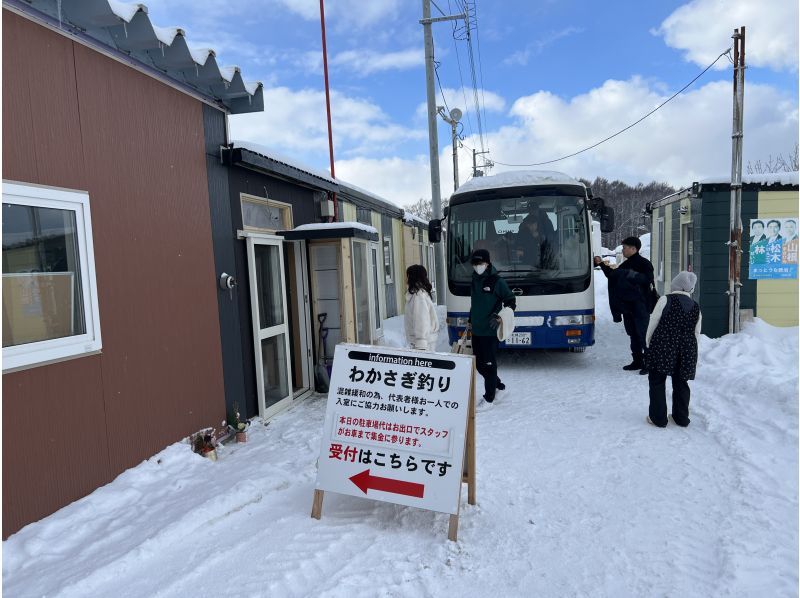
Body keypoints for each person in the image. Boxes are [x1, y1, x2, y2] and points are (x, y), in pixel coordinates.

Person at [645, 271, 702, 428]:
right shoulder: (695, 306)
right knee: (681, 382)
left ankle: (658, 418)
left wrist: (648, 341)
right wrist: (693, 353)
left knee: (657, 380)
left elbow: (654, 321)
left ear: (675, 285)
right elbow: (697, 332)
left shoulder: (665, 299)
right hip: (687, 348)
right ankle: (681, 417)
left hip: (663, 344)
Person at [594, 236, 654, 374]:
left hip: (641, 305)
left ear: (634, 249)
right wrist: (601, 264)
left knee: (643, 334)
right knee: (632, 334)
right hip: (627, 306)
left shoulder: (644, 263)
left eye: (625, 248)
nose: (623, 250)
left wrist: (630, 275)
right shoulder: (625, 264)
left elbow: (647, 279)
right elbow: (613, 275)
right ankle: (637, 361)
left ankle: (649, 363)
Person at [468, 249, 516, 403]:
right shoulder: (474, 280)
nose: (477, 266)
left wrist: (500, 317)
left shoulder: (497, 281)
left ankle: (489, 398)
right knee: (480, 365)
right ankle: (497, 383)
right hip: (476, 330)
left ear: (487, 263)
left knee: (489, 364)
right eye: (475, 263)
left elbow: (511, 301)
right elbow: (474, 304)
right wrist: (470, 321)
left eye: (480, 263)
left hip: (490, 330)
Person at [404, 265, 439, 351]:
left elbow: (421, 321)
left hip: (423, 346)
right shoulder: (416, 295)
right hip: (419, 344)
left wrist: (421, 345)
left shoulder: (418, 296)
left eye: (408, 276)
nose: (406, 279)